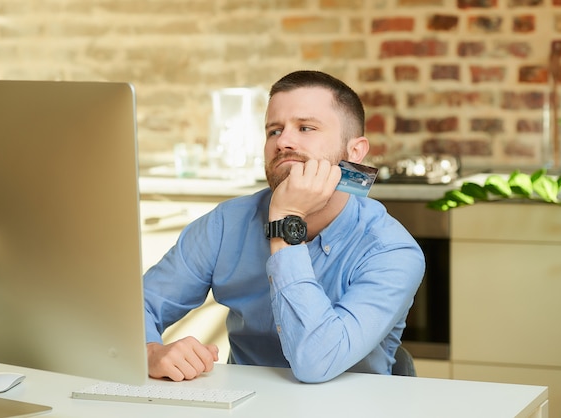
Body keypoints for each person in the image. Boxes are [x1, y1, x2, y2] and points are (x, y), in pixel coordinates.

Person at [142, 70, 425, 384]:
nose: (284, 142)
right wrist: (148, 351)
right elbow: (138, 305)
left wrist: (286, 221)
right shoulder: (226, 224)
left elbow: (316, 363)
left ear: (354, 152)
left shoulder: (391, 250)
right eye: (274, 131)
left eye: (305, 127)